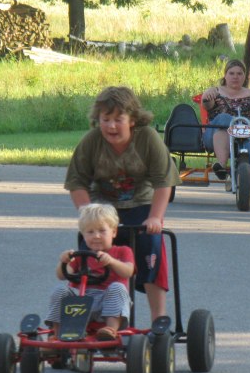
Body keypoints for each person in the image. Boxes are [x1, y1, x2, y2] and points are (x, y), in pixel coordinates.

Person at [64, 86, 180, 323]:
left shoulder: (147, 138)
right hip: (105, 208)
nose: (111, 126)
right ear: (98, 120)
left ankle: (159, 317)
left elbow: (163, 181)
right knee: (90, 247)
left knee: (151, 245)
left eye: (119, 119)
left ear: (133, 120)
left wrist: (156, 217)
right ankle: (93, 315)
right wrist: (88, 215)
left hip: (142, 204)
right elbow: (77, 181)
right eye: (106, 120)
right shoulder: (92, 141)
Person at [45, 203, 135, 341]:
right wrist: (64, 262)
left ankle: (110, 329)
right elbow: (61, 275)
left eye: (102, 231)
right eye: (90, 232)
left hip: (106, 302)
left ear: (114, 232)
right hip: (78, 302)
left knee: (118, 288)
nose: (96, 236)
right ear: (83, 235)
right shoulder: (79, 256)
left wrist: (111, 262)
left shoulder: (122, 251)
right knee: (60, 290)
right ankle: (57, 333)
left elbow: (128, 271)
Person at [200, 59, 250, 189]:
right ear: (225, 75)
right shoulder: (215, 91)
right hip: (215, 135)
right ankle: (221, 166)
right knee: (224, 119)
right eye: (232, 73)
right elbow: (207, 104)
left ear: (244, 76)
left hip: (247, 133)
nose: (235, 77)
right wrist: (207, 97)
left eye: (239, 74)